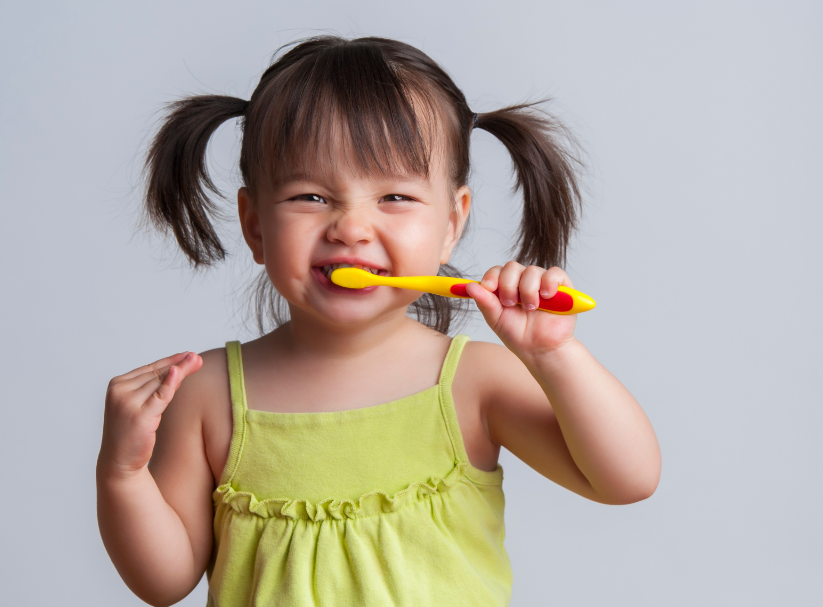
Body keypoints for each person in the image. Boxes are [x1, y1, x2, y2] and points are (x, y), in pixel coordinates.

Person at [96, 35, 661, 607]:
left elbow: (627, 480)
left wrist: (552, 355)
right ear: (255, 226)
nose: (350, 228)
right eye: (310, 197)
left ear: (451, 224)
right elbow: (164, 583)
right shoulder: (206, 395)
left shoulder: (475, 383)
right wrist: (123, 472)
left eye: (394, 196)